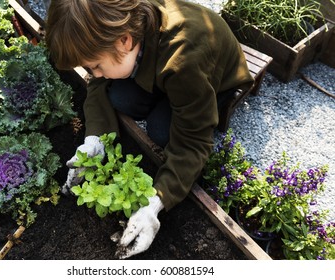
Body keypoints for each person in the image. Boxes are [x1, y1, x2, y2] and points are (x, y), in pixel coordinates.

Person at [46, 0, 254, 259]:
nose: (94, 74)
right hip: (165, 68)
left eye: (96, 66)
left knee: (161, 131)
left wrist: (155, 203)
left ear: (124, 40)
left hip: (215, 77)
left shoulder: (184, 59)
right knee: (121, 97)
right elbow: (97, 83)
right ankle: (158, 90)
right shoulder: (117, 25)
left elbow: (193, 143)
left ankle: (169, 96)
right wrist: (94, 140)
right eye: (90, 68)